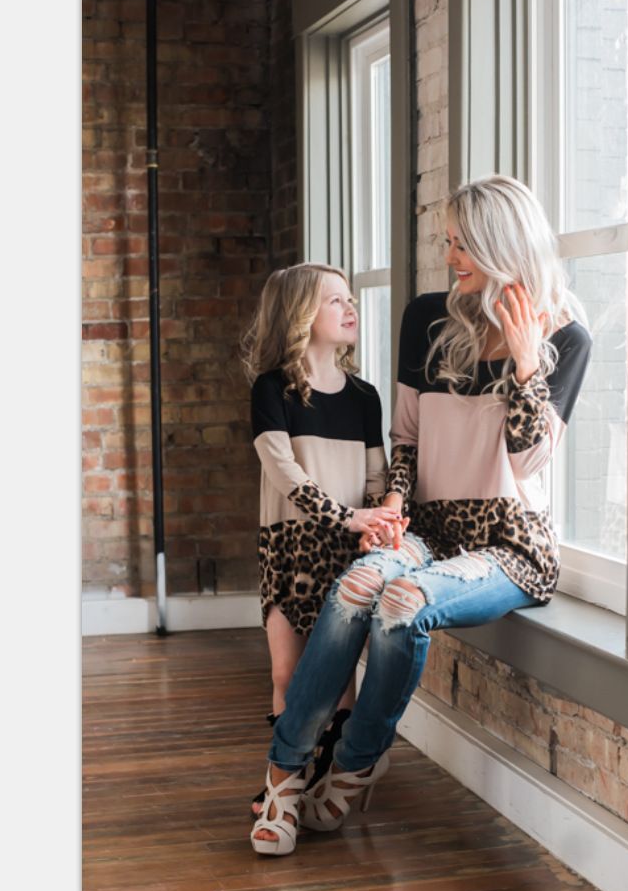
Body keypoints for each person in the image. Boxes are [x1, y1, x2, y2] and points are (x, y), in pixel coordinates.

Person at [249, 174, 593, 856]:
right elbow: (403, 440)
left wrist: (526, 362)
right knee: (354, 586)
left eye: (462, 244)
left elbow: (527, 463)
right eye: (449, 242)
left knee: (401, 601)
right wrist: (396, 500)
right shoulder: (428, 318)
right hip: (429, 528)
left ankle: (355, 762)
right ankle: (282, 775)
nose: (450, 255)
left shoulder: (567, 339)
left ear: (502, 246)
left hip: (508, 545)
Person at [241, 262, 406, 817]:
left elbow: (378, 476)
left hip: (346, 549)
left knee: (338, 681)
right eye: (334, 300)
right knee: (287, 672)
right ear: (300, 316)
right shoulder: (273, 389)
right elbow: (284, 470)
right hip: (289, 548)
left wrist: (378, 519)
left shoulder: (365, 396)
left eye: (349, 297)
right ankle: (284, 782)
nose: (349, 306)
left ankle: (327, 783)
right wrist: (347, 516)